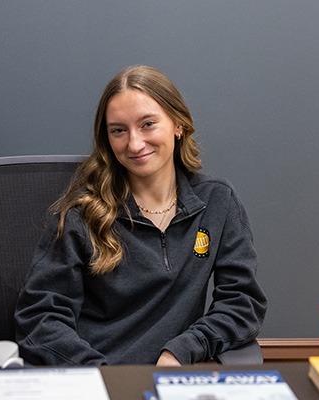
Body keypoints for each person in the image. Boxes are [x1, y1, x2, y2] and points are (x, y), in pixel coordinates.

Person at [15, 65, 267, 366]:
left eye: (147, 124)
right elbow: (40, 319)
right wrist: (101, 375)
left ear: (178, 124)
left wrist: (182, 351)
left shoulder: (217, 202)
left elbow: (242, 304)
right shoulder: (82, 215)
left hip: (170, 378)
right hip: (97, 378)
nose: (134, 144)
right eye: (119, 131)